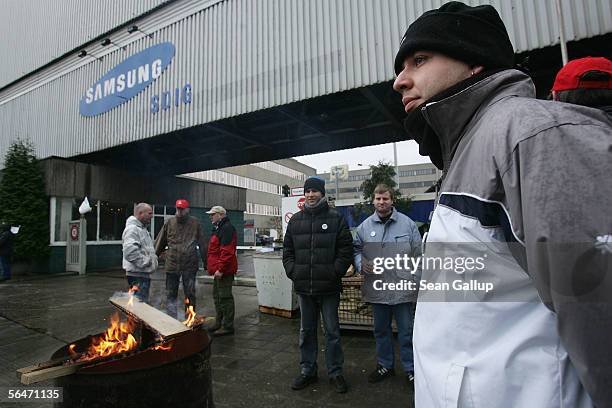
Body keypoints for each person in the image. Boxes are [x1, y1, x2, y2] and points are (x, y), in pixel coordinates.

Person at [393, 2, 611, 407]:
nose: (400, 81)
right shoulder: (465, 150)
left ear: (475, 63)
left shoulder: (534, 135)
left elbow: (599, 305)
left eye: (419, 60)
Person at [282, 176, 354, 394]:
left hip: (329, 288)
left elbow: (345, 249)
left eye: (315, 191)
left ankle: (335, 372)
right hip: (304, 288)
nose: (311, 195)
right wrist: (293, 271)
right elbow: (288, 251)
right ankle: (307, 371)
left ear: (322, 193)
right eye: (308, 191)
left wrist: (335, 272)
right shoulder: (295, 221)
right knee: (306, 332)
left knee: (332, 332)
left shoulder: (336, 218)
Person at [353, 184, 421, 386]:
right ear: (373, 201)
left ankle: (411, 369)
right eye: (378, 199)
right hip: (377, 289)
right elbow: (356, 250)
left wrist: (415, 282)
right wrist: (360, 264)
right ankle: (385, 365)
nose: (381, 202)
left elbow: (419, 255)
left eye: (385, 199)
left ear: (392, 200)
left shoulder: (407, 225)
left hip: (402, 289)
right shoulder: (365, 227)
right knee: (381, 330)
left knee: (406, 332)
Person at [155, 199, 207, 319]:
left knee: (190, 294)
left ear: (187, 210)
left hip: (189, 265)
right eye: (178, 209)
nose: (180, 211)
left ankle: (190, 318)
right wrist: (154, 258)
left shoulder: (195, 223)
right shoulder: (169, 223)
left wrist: (206, 262)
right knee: (170, 294)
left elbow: (203, 244)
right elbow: (160, 241)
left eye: (182, 209)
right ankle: (171, 319)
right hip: (172, 264)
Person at [205, 205, 238, 336]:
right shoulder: (219, 228)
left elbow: (227, 251)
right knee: (217, 296)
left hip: (224, 271)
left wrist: (221, 269)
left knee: (225, 297)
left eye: (213, 214)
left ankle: (228, 326)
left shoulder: (227, 228)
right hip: (219, 271)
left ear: (220, 215)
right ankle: (219, 322)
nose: (210, 217)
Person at [122, 203, 157, 302]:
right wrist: (147, 262)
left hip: (141, 274)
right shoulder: (133, 229)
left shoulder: (142, 229)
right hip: (137, 275)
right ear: (140, 213)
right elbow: (130, 252)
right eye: (150, 213)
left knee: (140, 304)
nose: (152, 216)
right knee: (139, 306)